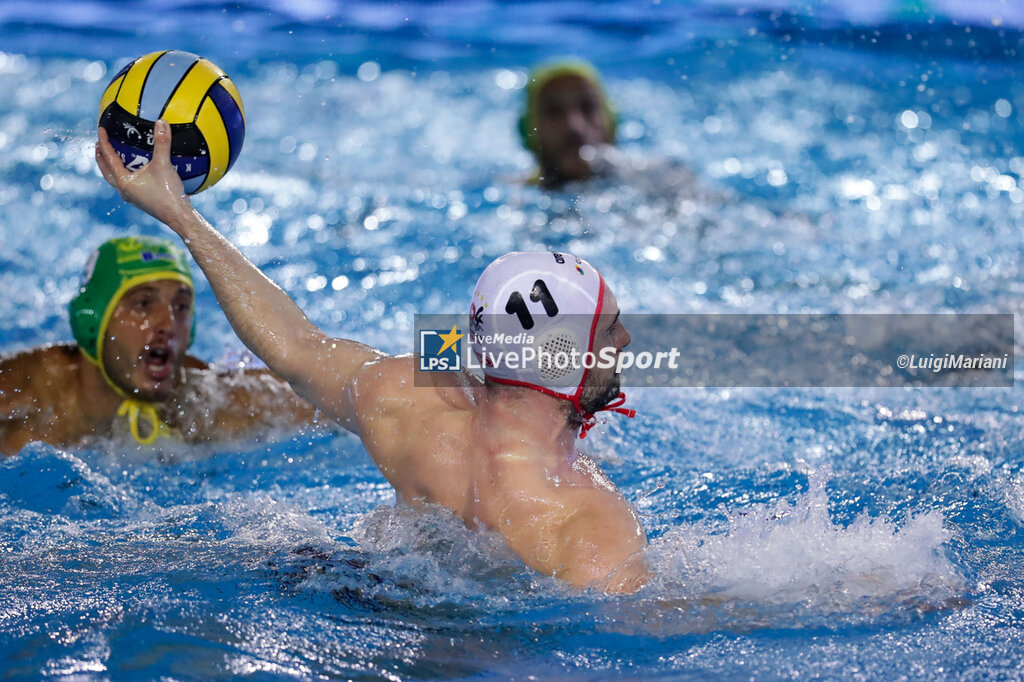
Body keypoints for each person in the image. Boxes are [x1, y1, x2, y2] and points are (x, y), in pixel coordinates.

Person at [96, 120, 649, 593]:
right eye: (608, 328)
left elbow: (296, 348)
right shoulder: (589, 521)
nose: (623, 340)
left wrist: (182, 217)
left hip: (364, 589)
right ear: (557, 356)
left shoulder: (406, 401)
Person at [0, 235, 318, 456]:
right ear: (93, 322)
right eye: (143, 304)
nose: (168, 324)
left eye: (180, 307)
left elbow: (322, 399)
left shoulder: (197, 400)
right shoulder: (27, 388)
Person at [519, 59, 617, 188]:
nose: (574, 126)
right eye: (554, 111)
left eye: (588, 107)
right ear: (530, 131)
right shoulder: (516, 198)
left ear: (610, 122)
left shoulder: (644, 178)